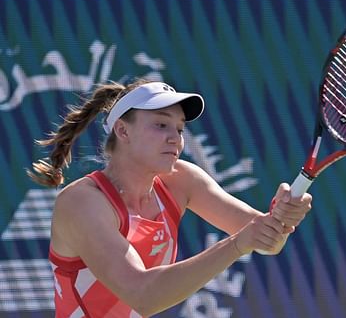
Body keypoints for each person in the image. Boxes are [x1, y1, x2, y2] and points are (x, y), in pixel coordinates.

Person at [28, 80, 312, 317]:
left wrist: (281, 218)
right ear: (123, 131)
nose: (175, 138)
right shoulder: (83, 203)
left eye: (179, 129)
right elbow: (143, 294)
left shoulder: (181, 179)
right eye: (161, 126)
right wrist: (238, 243)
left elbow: (266, 240)